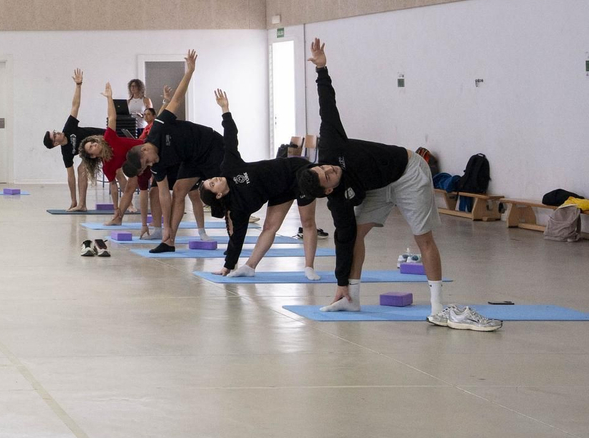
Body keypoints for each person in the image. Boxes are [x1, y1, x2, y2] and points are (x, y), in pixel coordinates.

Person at [296, 40, 498, 330]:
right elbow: (343, 238)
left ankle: (438, 307)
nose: (331, 169)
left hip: (408, 171)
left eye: (326, 167)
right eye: (329, 176)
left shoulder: (331, 144)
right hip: (377, 186)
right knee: (352, 236)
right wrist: (340, 283)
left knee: (422, 237)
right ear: (328, 190)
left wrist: (322, 68)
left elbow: (327, 105)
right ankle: (351, 297)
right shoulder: (337, 200)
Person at [198, 88, 320, 279]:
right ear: (218, 195)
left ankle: (309, 267)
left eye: (212, 179)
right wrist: (227, 266)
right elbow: (237, 238)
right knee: (269, 227)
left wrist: (225, 110)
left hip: (297, 172)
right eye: (213, 184)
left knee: (307, 222)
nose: (215, 179)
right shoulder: (238, 209)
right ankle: (250, 267)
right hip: (280, 191)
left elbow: (230, 138)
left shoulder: (229, 167)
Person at [121, 50, 221, 253]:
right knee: (177, 193)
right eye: (147, 167)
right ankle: (169, 241)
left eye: (147, 162)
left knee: (226, 191)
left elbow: (176, 99)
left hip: (210, 146)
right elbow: (163, 196)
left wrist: (190, 71)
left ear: (145, 149)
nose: (151, 165)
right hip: (191, 159)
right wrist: (166, 226)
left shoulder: (158, 127)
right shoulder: (156, 164)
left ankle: (234, 230)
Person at [75, 83, 158, 235]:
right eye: (91, 148)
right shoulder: (107, 166)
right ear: (93, 156)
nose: (94, 145)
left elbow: (112, 117)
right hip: (138, 166)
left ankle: (153, 220)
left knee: (153, 188)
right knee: (130, 189)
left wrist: (109, 98)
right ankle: (119, 217)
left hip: (148, 149)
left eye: (93, 143)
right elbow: (113, 186)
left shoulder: (108, 138)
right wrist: (115, 208)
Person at [43, 69, 104, 210]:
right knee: (81, 169)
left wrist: (78, 85)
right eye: (55, 135)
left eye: (55, 132)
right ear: (56, 143)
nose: (57, 132)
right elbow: (70, 177)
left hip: (104, 139)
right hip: (94, 151)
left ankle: (129, 204)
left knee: (116, 169)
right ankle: (81, 204)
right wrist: (72, 200)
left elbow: (75, 105)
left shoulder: (68, 128)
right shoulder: (66, 153)